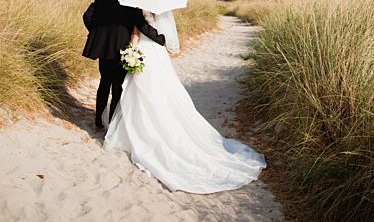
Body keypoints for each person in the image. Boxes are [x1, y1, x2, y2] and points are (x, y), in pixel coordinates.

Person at [103, 10, 267, 194]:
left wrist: (131, 51)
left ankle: (137, 132)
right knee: (160, 93)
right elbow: (163, 39)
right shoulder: (162, 10)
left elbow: (135, 34)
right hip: (157, 54)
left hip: (144, 51)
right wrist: (149, 43)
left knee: (141, 93)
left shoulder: (137, 11)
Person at [82, 0, 166, 129]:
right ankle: (112, 123)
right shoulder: (132, 1)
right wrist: (160, 39)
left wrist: (97, 33)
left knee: (104, 82)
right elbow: (141, 25)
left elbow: (87, 16)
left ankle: (98, 120)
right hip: (121, 49)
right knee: (117, 86)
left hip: (103, 49)